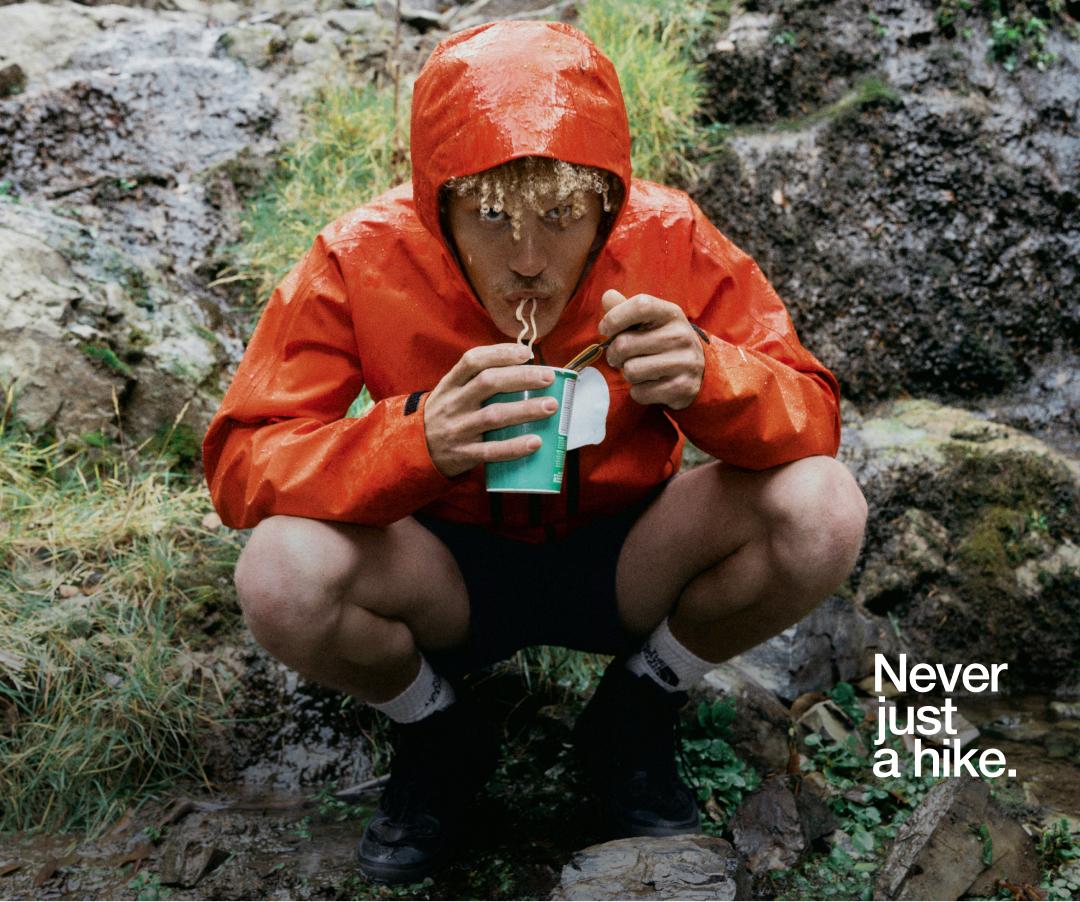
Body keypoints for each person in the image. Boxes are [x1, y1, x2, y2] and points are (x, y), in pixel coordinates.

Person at [202, 19, 868, 884]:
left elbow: (813, 413)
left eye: (559, 216)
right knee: (280, 573)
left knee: (821, 508)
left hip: (629, 555)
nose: (527, 261)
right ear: (437, 203)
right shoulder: (361, 253)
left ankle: (637, 707)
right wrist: (414, 439)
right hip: (444, 571)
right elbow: (241, 461)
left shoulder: (668, 236)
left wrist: (713, 377)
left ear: (607, 198)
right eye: (490, 218)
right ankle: (438, 729)